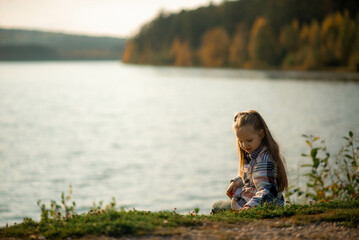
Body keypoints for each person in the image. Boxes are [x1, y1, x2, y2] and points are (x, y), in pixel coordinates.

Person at [211, 110, 288, 213]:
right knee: (220, 205)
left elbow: (267, 191)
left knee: (216, 206)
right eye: (241, 141)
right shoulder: (253, 155)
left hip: (259, 205)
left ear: (261, 134)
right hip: (250, 200)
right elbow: (253, 178)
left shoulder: (264, 161)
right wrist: (237, 182)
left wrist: (249, 207)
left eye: (249, 140)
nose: (245, 145)